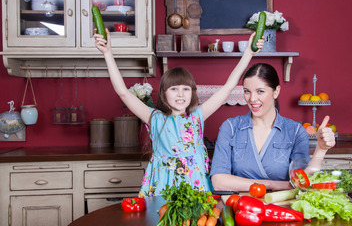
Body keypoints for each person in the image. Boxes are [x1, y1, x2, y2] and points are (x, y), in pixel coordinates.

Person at [94, 29, 264, 197]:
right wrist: (108, 53)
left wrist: (248, 52)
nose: (181, 94)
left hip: (195, 186)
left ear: (192, 93)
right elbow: (123, 92)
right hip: (163, 186)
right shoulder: (154, 118)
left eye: (186, 89)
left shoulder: (198, 115)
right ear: (164, 93)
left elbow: (228, 88)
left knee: (198, 223)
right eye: (174, 88)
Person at [210, 63, 336, 192]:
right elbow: (218, 181)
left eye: (260, 91)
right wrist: (271, 185)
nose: (252, 99)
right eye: (247, 91)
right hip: (240, 207)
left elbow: (303, 180)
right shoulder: (230, 127)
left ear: (276, 92)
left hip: (281, 209)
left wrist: (321, 149)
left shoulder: (296, 131)